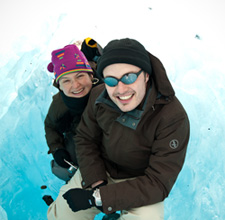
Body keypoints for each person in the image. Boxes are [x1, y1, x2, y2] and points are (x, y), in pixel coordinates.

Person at [47, 38, 190, 220]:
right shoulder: (99, 95)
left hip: (141, 181)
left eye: (129, 77)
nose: (120, 89)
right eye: (111, 80)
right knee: (61, 216)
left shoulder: (172, 117)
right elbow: (85, 137)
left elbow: (158, 182)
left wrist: (98, 198)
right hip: (102, 169)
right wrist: (96, 182)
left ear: (146, 75)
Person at [44, 38, 102, 182]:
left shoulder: (107, 86)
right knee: (62, 169)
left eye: (80, 76)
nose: (75, 85)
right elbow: (50, 126)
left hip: (108, 132)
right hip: (81, 133)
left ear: (91, 75)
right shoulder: (60, 102)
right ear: (60, 86)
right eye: (66, 81)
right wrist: (57, 148)